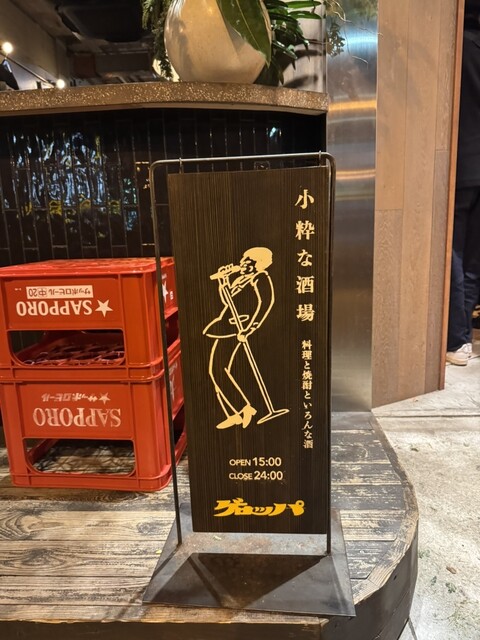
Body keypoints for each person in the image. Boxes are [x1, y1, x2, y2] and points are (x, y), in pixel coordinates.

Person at [203, 247, 275, 429]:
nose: (242, 263)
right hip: (227, 325)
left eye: (247, 260)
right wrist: (223, 281)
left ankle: (243, 408)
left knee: (218, 369)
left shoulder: (260, 278)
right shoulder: (241, 279)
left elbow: (265, 304)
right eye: (243, 259)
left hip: (239, 327)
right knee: (216, 370)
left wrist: (251, 328)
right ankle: (236, 414)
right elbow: (227, 301)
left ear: (258, 263)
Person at [447, 0, 480, 365]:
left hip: (463, 166)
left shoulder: (460, 50)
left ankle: (455, 340)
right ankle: (465, 337)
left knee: (454, 252)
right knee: (473, 257)